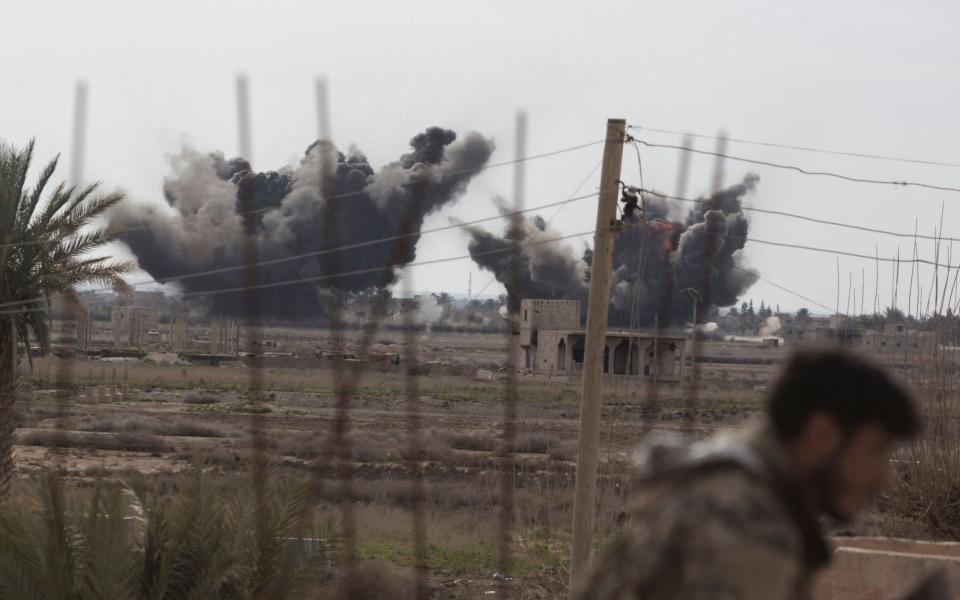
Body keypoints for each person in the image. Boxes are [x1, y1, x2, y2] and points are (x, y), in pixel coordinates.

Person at [576, 347, 920, 600]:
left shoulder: (725, 485)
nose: (883, 476)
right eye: (876, 449)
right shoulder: (746, 523)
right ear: (822, 435)